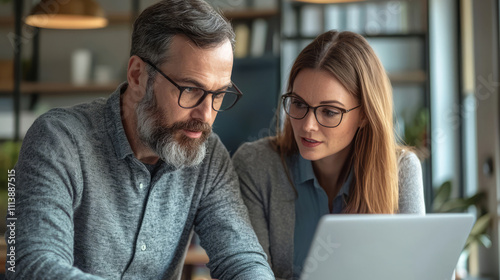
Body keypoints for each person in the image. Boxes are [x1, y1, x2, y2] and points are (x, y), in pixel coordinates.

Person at [6, 1, 275, 279]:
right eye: (191, 90)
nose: (206, 115)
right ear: (137, 75)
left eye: (219, 94)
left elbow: (241, 258)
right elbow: (34, 265)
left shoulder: (208, 154)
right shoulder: (59, 140)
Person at [232, 30, 426, 279]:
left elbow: (417, 272)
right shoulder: (256, 166)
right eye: (299, 104)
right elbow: (247, 270)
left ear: (365, 114)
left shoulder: (401, 170)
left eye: (329, 112)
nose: (308, 125)